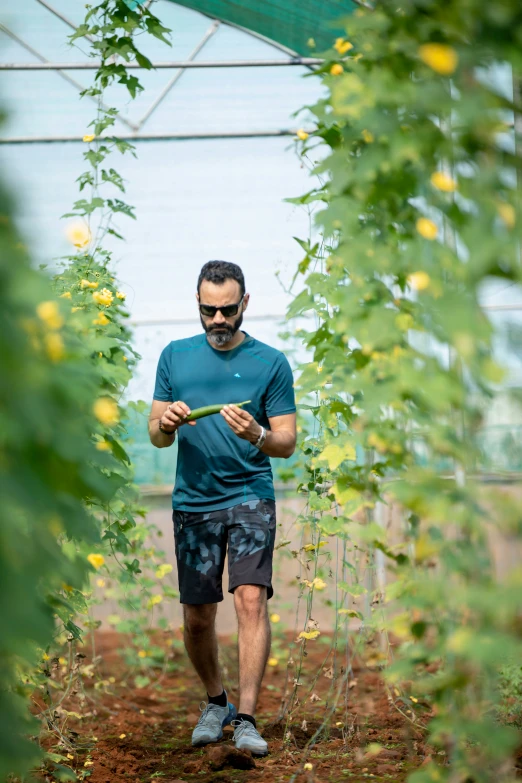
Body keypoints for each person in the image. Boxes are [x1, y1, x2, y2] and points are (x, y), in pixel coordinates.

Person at [148, 260, 296, 756]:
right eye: (208, 310)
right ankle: (217, 702)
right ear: (198, 305)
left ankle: (248, 719)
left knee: (251, 599)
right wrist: (166, 422)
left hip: (251, 492)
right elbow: (156, 435)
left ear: (244, 304)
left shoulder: (270, 362)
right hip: (194, 501)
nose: (217, 319)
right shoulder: (173, 357)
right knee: (197, 617)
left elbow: (287, 441)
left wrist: (257, 432)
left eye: (227, 309)